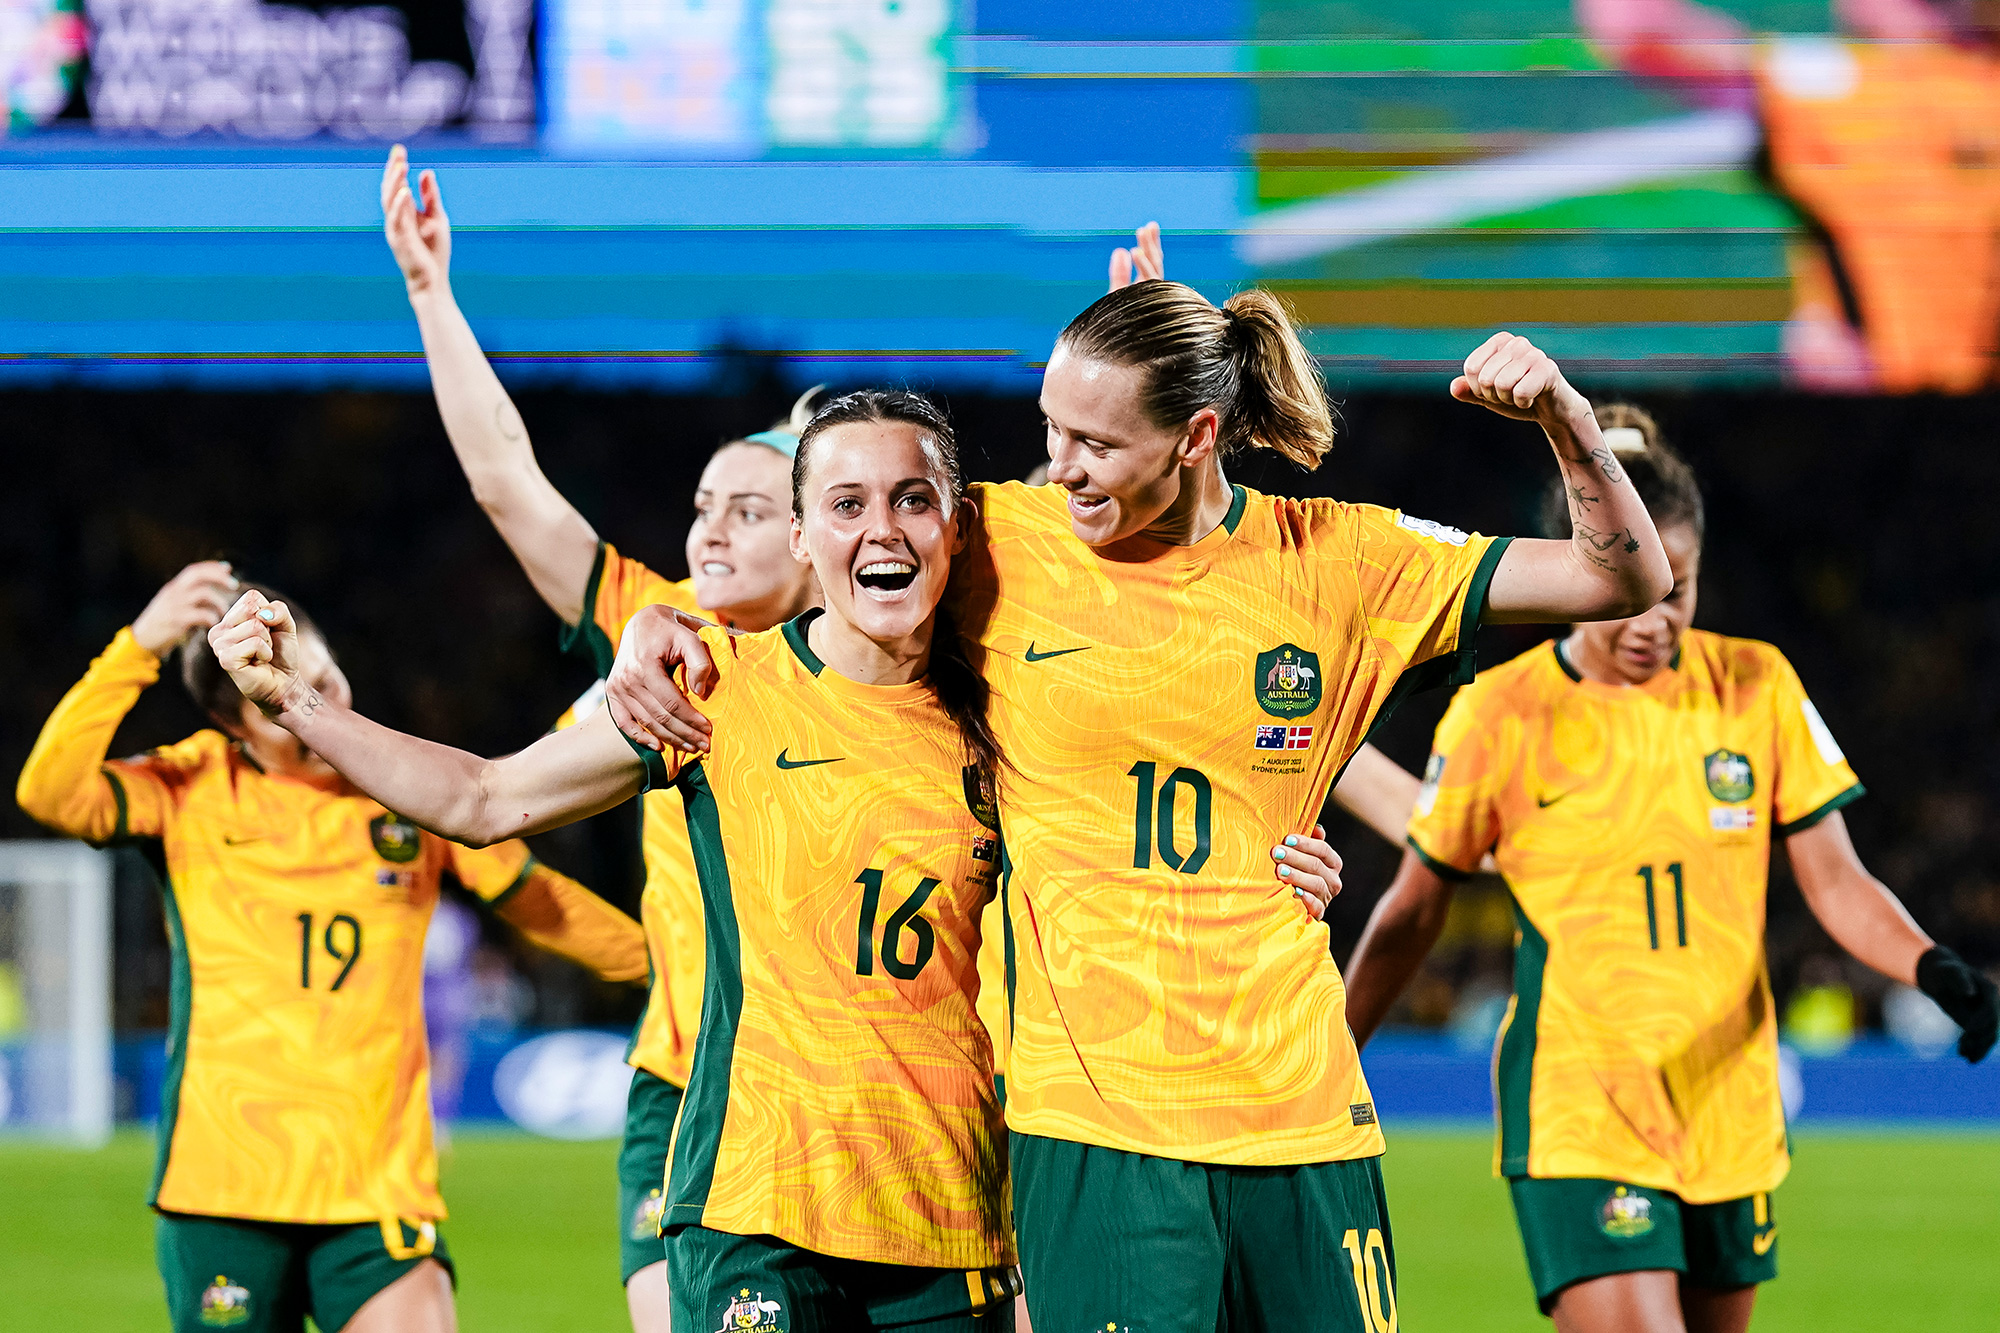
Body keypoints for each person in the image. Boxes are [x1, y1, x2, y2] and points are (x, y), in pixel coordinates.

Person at [606, 283, 1675, 1329]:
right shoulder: (1004, 539)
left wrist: (1565, 426)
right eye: (1049, 430)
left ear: (1195, 435)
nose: (1058, 466)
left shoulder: (1340, 559)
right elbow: (852, 563)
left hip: (1301, 1122)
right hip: (1097, 1134)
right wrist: (662, 623)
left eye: (1094, 442)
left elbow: (1617, 581)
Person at [199, 393, 1195, 1331]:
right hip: (753, 1209)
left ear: (959, 527)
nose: (881, 529)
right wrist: (298, 703)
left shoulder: (1010, 715)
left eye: (912, 500)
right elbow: (482, 798)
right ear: (805, 539)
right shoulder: (718, 688)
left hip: (948, 1215)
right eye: (846, 503)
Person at [1339, 406, 2000, 1333]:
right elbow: (1415, 906)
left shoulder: (1755, 684)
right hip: (1582, 1102)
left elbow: (1837, 880)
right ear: (1582, 565)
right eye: (1634, 588)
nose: (1655, 617)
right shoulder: (1501, 711)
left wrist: (1932, 967)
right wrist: (1333, 1053)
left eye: (1677, 590)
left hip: (1728, 1105)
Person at [379, 143, 819, 1327]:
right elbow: (506, 481)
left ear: (821, 533)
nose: (708, 530)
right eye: (698, 507)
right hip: (683, 1081)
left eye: (743, 510)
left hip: (860, 1083)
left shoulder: (899, 668)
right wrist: (431, 296)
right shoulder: (662, 630)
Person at [15, 561, 647, 1333]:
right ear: (237, 723)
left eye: (324, 672)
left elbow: (546, 906)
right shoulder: (191, 786)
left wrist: (679, 968)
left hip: (376, 1185)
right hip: (224, 1184)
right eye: (285, 694)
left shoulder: (403, 780)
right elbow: (49, 792)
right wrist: (137, 646)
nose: (327, 699)